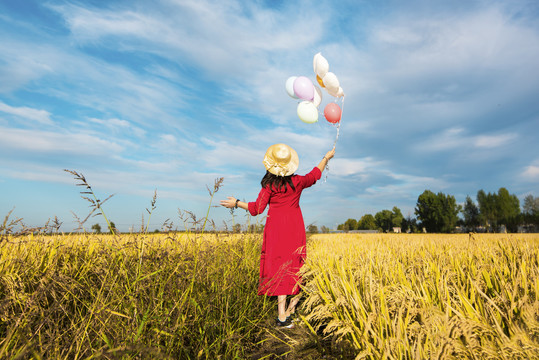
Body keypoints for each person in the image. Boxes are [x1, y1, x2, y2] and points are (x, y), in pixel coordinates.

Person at [220, 143, 335, 328]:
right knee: (297, 265)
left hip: (275, 231)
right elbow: (315, 175)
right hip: (295, 228)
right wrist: (326, 158)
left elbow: (257, 209)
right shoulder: (297, 182)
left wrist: (237, 203)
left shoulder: (269, 186)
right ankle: (291, 309)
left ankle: (283, 315)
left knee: (280, 267)